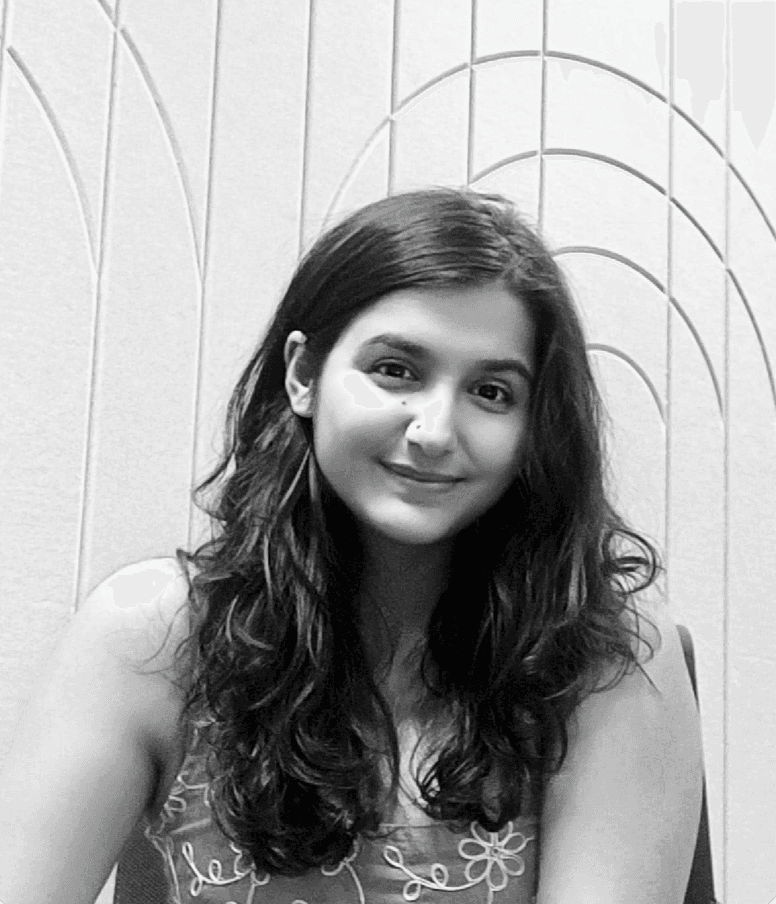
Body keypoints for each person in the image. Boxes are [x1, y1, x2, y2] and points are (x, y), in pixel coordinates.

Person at [0, 188, 703, 904]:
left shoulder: (606, 658)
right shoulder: (154, 638)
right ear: (304, 375)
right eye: (396, 370)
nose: (434, 429)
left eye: (491, 391)